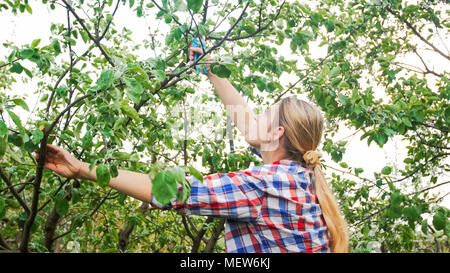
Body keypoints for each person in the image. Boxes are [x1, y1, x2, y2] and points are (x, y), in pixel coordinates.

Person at [35, 47, 349, 253]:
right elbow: (243, 119)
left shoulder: (263, 185)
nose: (254, 116)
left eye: (264, 113)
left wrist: (81, 168)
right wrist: (210, 69)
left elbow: (177, 192)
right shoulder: (300, 175)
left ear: (275, 134)